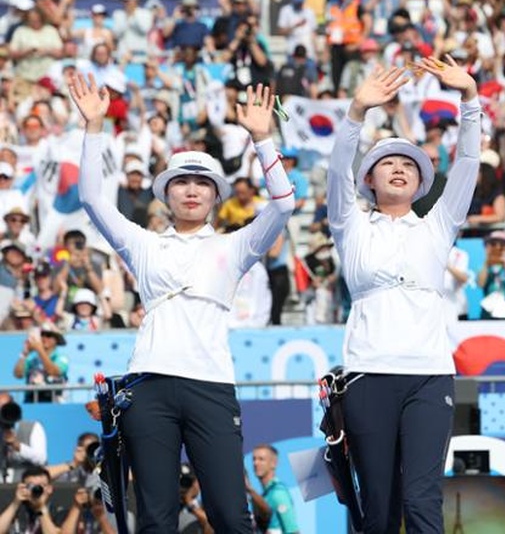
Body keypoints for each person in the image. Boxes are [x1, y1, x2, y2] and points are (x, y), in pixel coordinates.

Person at [68, 72, 293, 532]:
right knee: (155, 518)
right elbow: (91, 197)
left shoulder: (236, 245)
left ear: (215, 195)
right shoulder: (144, 244)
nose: (192, 190)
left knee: (232, 515)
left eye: (202, 183)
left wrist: (263, 139)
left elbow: (285, 205)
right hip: (149, 385)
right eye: (182, 182)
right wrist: (94, 128)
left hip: (211, 385)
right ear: (166, 193)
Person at [326, 60, 480, 533]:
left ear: (420, 182)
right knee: (377, 505)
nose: (398, 169)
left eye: (408, 165)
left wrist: (470, 100)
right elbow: (336, 171)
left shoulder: (438, 225)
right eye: (386, 163)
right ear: (368, 180)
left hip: (428, 376)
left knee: (422, 499)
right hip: (368, 374)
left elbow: (469, 165)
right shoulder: (350, 225)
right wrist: (356, 112)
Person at [247, 445, 298, 534]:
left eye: (261, 459)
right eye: (254, 459)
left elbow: (293, 532)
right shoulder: (265, 494)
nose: (256, 463)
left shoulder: (278, 493)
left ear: (273, 463)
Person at [12, 322, 68, 403]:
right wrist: (24, 354)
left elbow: (54, 372)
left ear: (56, 340)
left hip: (54, 403)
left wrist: (39, 349)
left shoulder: (61, 358)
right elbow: (18, 374)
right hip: (31, 402)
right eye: (42, 335)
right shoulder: (32, 359)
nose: (44, 338)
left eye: (48, 335)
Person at [0, 466, 63, 533]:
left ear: (49, 489)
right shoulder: (14, 509)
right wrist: (16, 502)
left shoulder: (58, 512)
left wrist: (41, 508)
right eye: (31, 486)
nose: (36, 490)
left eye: (41, 486)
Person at [477, 231, 505, 319]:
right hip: (488, 314)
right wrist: (487, 262)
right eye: (493, 244)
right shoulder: (483, 267)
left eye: (502, 245)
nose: (497, 248)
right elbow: (480, 284)